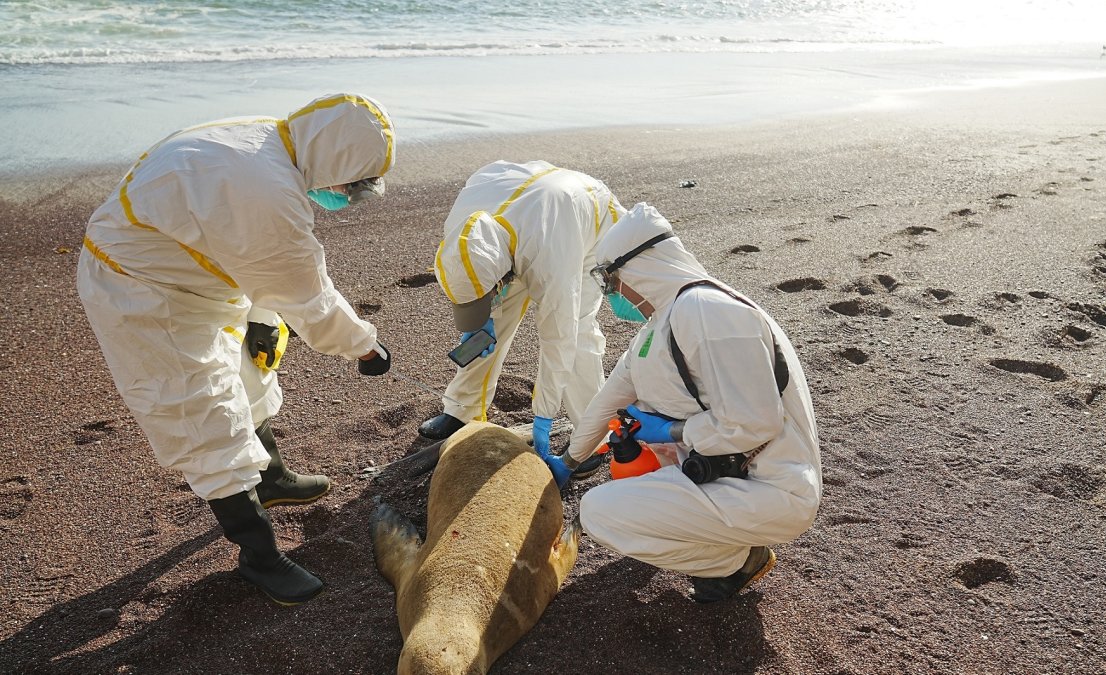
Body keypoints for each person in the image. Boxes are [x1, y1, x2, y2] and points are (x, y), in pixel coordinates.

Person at [77, 93, 396, 606]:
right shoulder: (265, 192)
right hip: (145, 293)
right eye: (351, 183)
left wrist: (261, 316)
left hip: (200, 271)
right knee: (204, 413)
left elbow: (247, 251)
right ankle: (260, 556)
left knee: (252, 374)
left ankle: (271, 477)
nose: (345, 194)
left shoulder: (269, 139)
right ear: (334, 159)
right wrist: (364, 347)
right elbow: (308, 296)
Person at [544, 203, 822, 603]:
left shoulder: (709, 312)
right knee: (629, 479)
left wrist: (672, 430)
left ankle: (735, 560)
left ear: (641, 267)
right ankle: (727, 547)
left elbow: (754, 423)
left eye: (612, 281)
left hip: (773, 488)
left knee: (599, 512)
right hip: (725, 471)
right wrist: (567, 461)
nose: (614, 295)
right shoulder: (660, 327)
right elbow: (607, 403)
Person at [421, 160, 626, 468]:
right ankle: (462, 409)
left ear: (502, 275)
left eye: (492, 290)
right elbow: (476, 272)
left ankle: (590, 436)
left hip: (583, 226)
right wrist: (483, 315)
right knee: (493, 322)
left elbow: (559, 338)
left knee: (577, 331)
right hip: (525, 219)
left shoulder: (551, 256)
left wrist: (543, 413)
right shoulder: (461, 232)